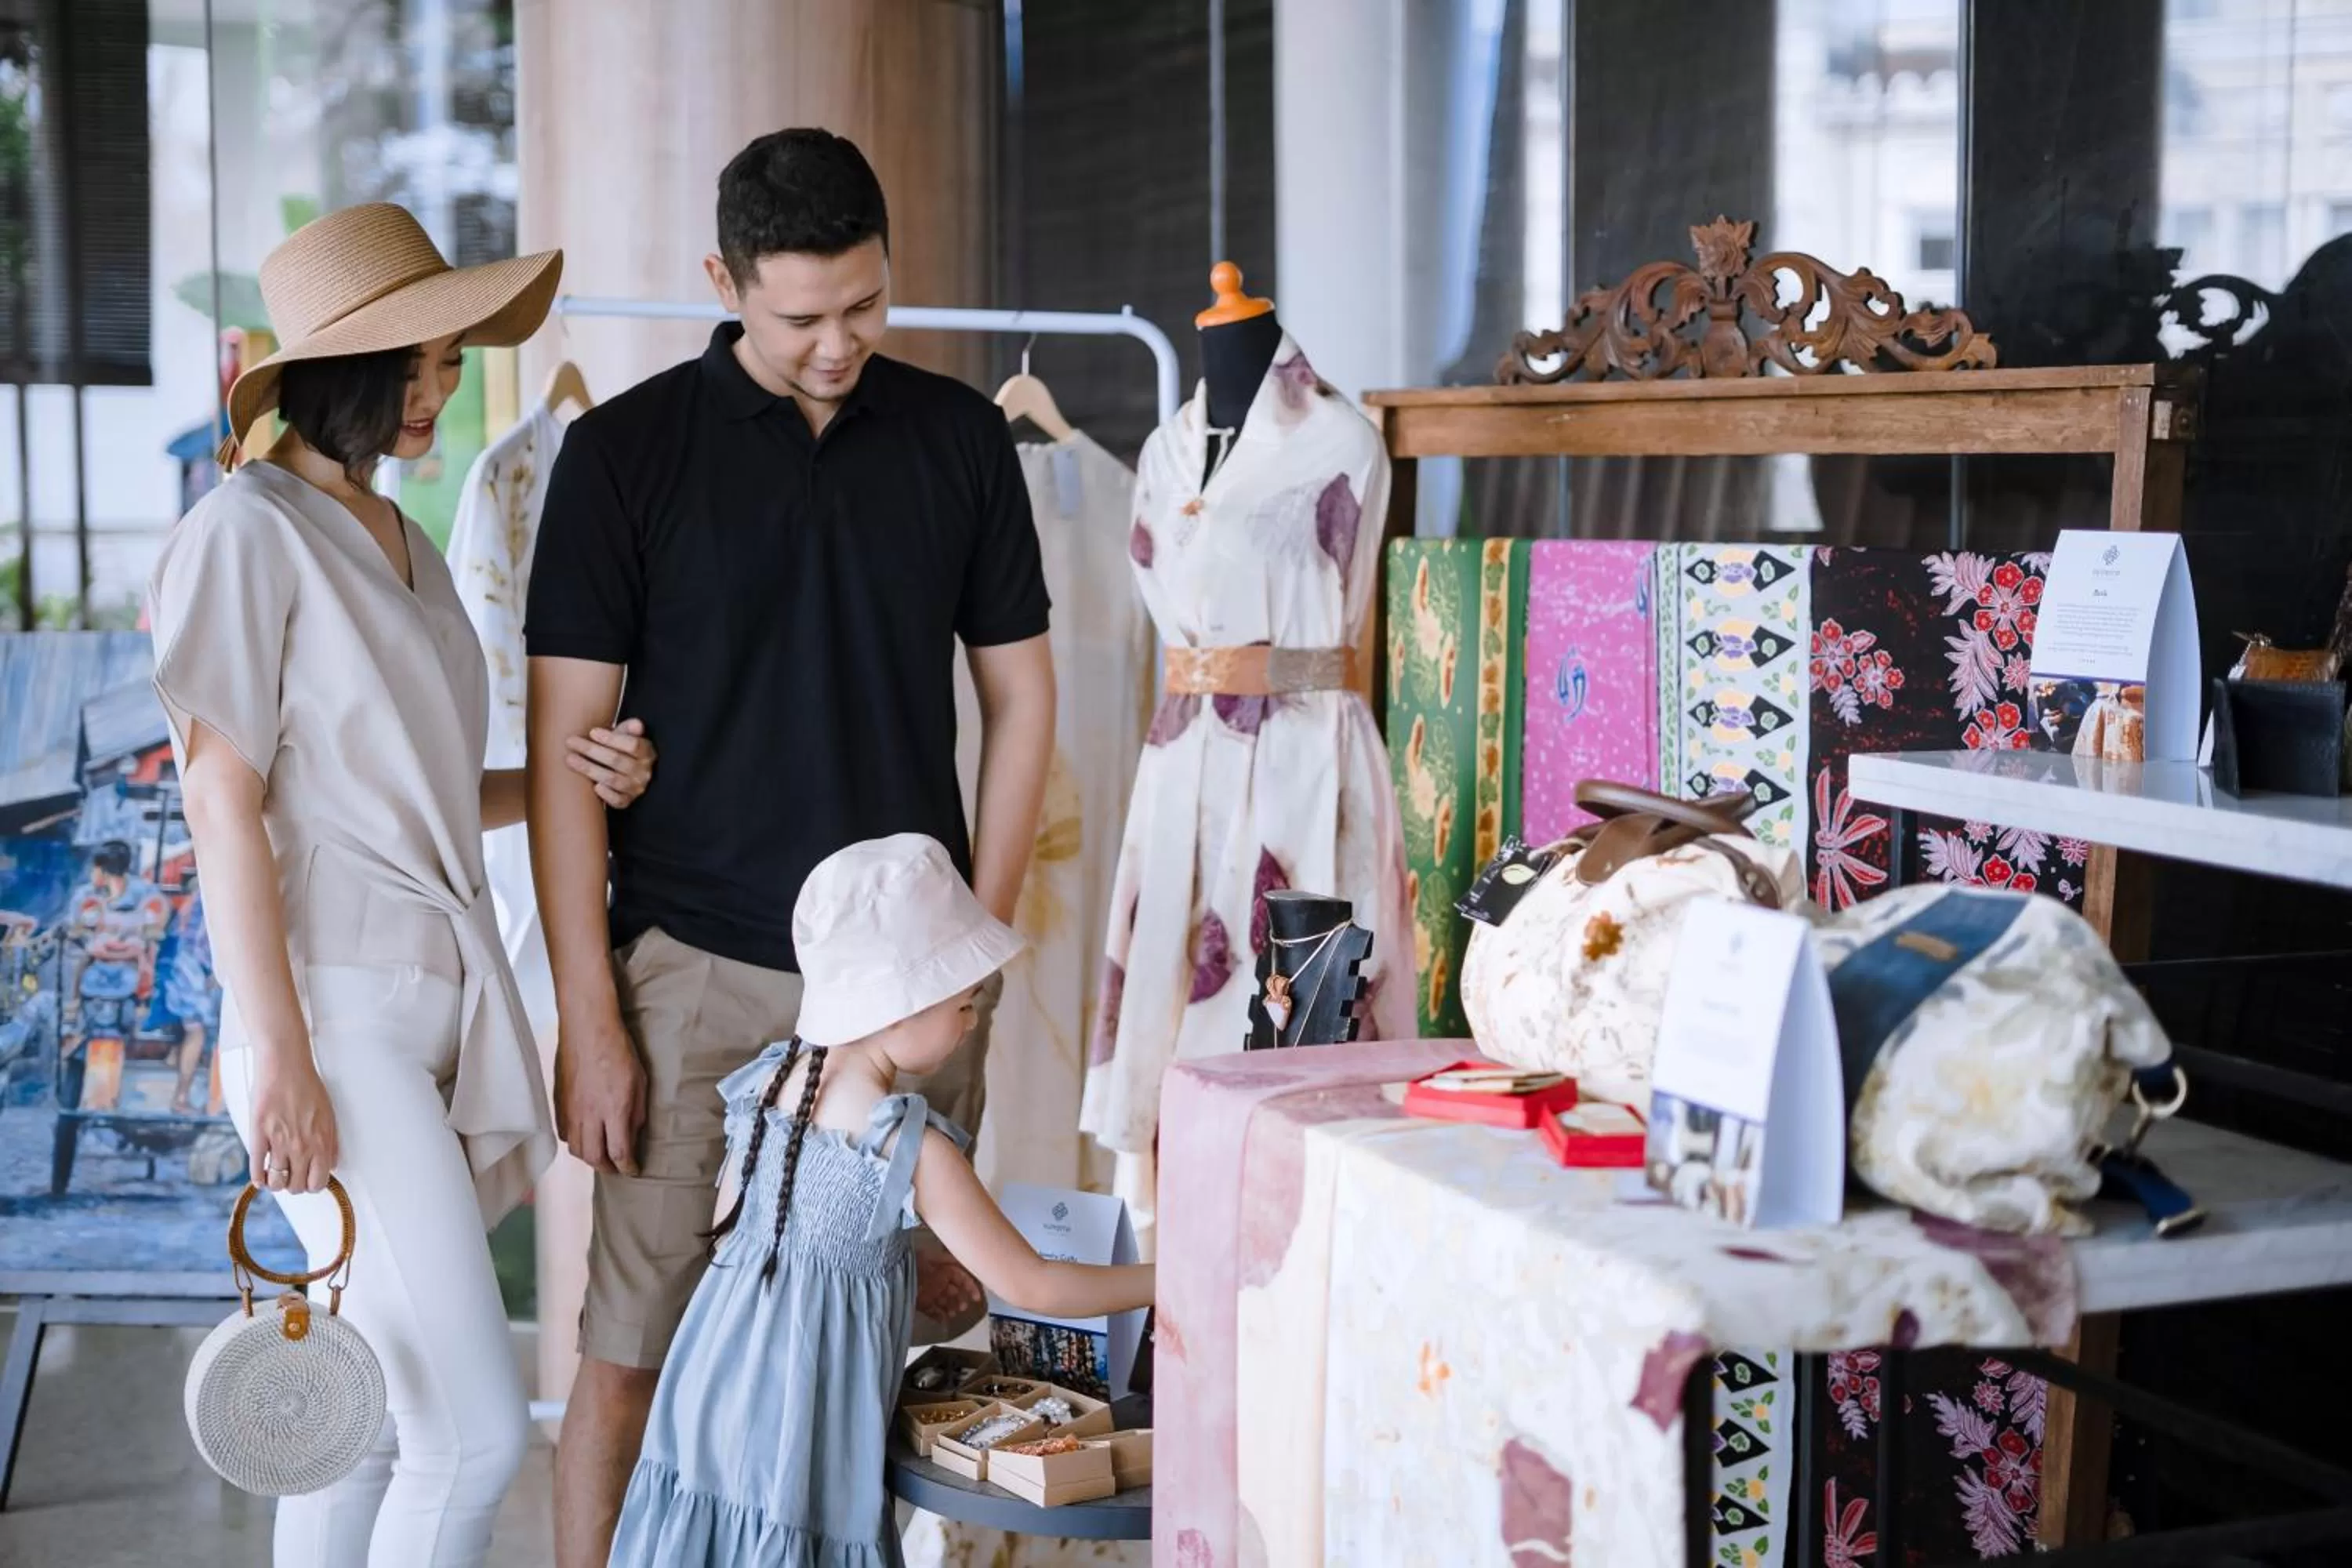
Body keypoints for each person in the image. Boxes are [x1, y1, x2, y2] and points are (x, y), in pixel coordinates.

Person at [524, 129, 1055, 1566]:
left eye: (867, 308)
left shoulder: (954, 440)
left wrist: (974, 946)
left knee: (903, 1336)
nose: (840, 345)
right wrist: (590, 1013)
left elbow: (1021, 700)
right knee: (632, 1346)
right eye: (804, 315)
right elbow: (567, 757)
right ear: (724, 279)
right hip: (694, 966)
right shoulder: (620, 456)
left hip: (907, 999)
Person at [147, 202, 663, 1568]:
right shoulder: (246, 530)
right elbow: (223, 799)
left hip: (429, 1006)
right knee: (476, 1436)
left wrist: (573, 772)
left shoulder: (407, 543)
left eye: (450, 359)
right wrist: (282, 1057)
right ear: (343, 370)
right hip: (337, 1020)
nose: (445, 386)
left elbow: (420, 794)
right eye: (424, 361)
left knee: (365, 1421)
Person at [607, 834, 1153, 1566]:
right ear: (898, 1006)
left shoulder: (768, 1088)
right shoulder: (905, 1144)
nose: (968, 1022)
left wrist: (885, 1264)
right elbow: (1035, 1284)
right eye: (962, 1003)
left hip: (711, 1398)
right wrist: (1171, 1276)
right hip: (800, 1428)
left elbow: (741, 1233)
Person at [62, 840, 169, 1109]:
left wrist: (134, 942)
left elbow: (155, 929)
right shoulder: (88, 896)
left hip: (128, 970)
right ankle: (71, 1014)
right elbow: (76, 929)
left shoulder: (146, 895)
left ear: (103, 869)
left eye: (95, 868)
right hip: (98, 968)